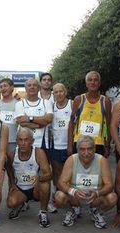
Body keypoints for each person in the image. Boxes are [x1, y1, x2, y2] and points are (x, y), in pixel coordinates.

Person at [54, 135, 117, 229]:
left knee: (113, 198)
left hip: (95, 197)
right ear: (78, 150)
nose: (86, 153)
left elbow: (109, 184)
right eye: (82, 149)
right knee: (59, 196)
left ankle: (95, 211)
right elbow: (61, 182)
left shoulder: (101, 160)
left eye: (89, 149)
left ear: (94, 148)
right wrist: (73, 192)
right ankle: (72, 210)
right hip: (75, 197)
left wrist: (97, 193)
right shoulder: (72, 159)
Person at [6, 128, 52, 227]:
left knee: (45, 185)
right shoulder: (12, 154)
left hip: (35, 188)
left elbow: (49, 174)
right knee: (10, 203)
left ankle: (43, 212)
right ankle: (22, 203)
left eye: (26, 140)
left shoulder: (39, 153)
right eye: (20, 139)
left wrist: (39, 178)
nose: (23, 143)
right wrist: (12, 184)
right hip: (20, 189)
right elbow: (9, 169)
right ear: (17, 141)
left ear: (32, 141)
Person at [68, 71, 111, 157]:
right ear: (86, 83)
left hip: (98, 143)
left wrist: (107, 146)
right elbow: (72, 123)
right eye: (90, 80)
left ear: (99, 83)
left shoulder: (105, 101)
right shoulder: (79, 99)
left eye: (95, 80)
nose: (93, 82)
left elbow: (110, 125)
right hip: (80, 142)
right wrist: (69, 145)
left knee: (97, 170)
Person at [47, 83, 73, 213]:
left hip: (69, 145)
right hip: (55, 145)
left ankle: (73, 202)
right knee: (57, 173)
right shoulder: (52, 107)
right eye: (55, 92)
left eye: (60, 91)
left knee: (70, 174)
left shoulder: (72, 104)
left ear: (65, 91)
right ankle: (56, 200)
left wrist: (71, 145)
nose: (58, 94)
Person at [14, 78, 53, 150]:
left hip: (43, 142)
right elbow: (21, 122)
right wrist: (41, 123)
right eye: (29, 85)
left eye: (35, 85)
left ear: (39, 88)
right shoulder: (19, 104)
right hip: (24, 143)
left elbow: (49, 119)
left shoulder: (46, 103)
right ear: (25, 88)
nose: (32, 87)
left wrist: (29, 118)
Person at [0, 78, 18, 153]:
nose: (3, 88)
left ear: (12, 88)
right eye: (1, 87)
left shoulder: (19, 104)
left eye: (5, 86)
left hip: (13, 141)